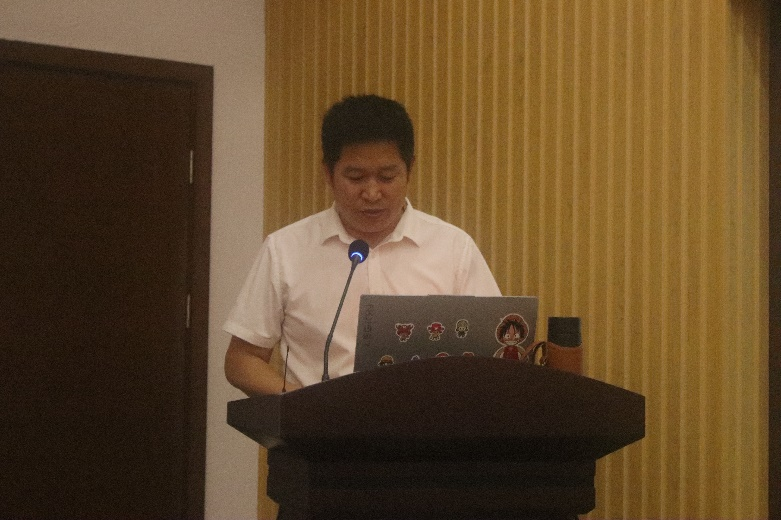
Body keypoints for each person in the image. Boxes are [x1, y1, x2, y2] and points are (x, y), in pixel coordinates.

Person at [223, 94, 501, 396]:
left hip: (428, 421)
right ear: (329, 173)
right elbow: (242, 359)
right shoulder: (285, 249)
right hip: (320, 423)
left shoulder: (453, 248)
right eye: (355, 178)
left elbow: (492, 353)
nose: (372, 193)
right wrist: (303, 404)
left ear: (409, 169)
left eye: (387, 177)